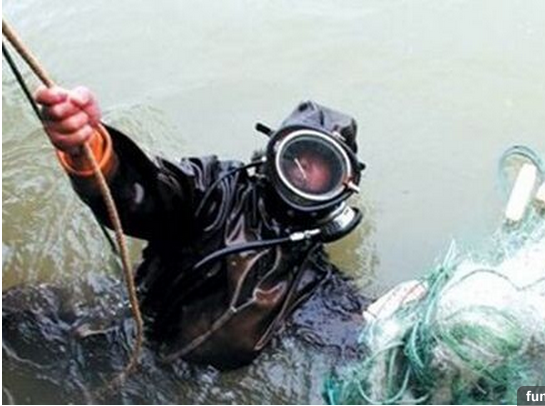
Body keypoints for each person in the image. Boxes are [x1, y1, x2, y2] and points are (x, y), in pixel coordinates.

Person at [16, 85, 367, 371]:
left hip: (175, 387)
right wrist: (90, 150)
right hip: (121, 319)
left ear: (342, 184)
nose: (304, 169)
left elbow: (362, 338)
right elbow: (148, 194)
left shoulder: (317, 284)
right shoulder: (215, 187)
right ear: (274, 151)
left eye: (321, 164)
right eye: (299, 154)